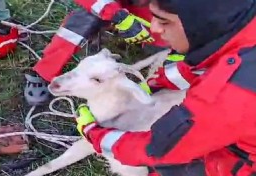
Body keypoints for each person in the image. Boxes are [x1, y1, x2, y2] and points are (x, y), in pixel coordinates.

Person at [75, 0, 256, 175]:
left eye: (164, 21)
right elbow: (212, 62)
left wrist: (94, 133)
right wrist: (157, 82)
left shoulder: (224, 98)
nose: (154, 28)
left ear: (201, 24)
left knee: (169, 166)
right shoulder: (244, 24)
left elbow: (157, 148)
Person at [29, 0, 201, 105]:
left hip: (162, 17)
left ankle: (157, 85)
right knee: (82, 20)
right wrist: (118, 16)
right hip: (121, 7)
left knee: (185, 53)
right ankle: (43, 72)